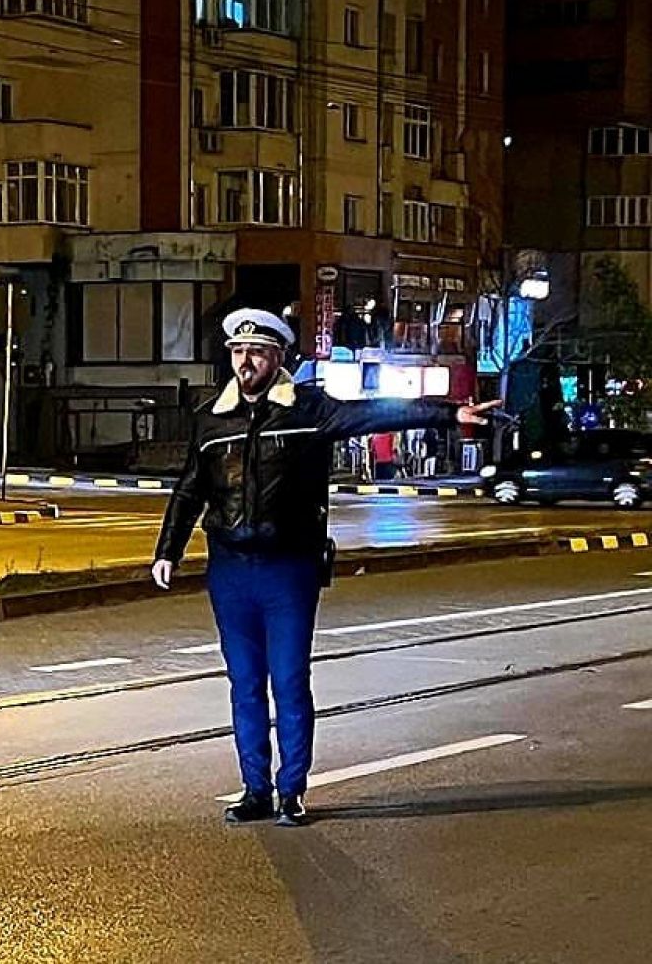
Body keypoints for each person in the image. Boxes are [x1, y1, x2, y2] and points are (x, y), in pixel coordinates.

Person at [151, 307, 499, 827]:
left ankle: (291, 790)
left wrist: (450, 414)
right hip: (230, 568)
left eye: (257, 352)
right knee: (244, 683)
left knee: (289, 680)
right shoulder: (211, 418)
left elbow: (375, 414)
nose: (246, 361)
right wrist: (168, 549)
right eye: (239, 352)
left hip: (289, 567)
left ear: (278, 358)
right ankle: (255, 790)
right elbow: (190, 488)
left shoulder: (308, 409)